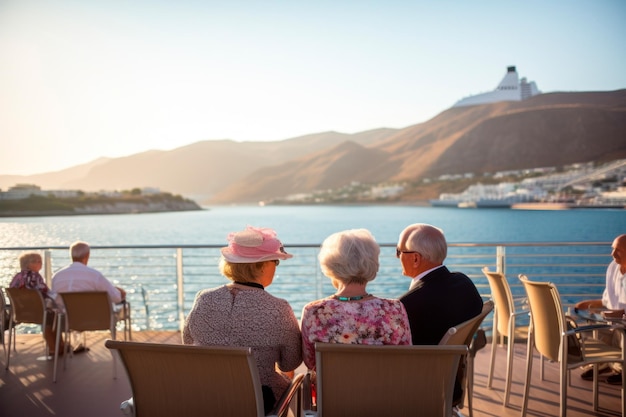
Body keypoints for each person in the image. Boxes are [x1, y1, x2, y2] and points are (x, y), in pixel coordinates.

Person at [182, 226, 302, 414]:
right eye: (275, 262)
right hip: (258, 401)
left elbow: (188, 340)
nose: (276, 267)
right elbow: (290, 363)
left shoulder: (204, 299)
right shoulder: (278, 308)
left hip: (206, 397)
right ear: (261, 265)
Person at [300, 228, 412, 372]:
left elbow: (311, 363)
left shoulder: (314, 312)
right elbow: (405, 358)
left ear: (331, 266)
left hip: (333, 393)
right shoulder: (394, 309)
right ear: (373, 264)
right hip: (385, 393)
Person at [396, 223, 483, 407]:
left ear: (416, 259)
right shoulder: (465, 283)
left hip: (418, 390)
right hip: (451, 383)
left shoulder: (408, 305)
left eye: (399, 252)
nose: (397, 257)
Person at [51, 241, 126, 352]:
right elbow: (116, 298)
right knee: (123, 301)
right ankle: (122, 351)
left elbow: (56, 301)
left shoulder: (57, 276)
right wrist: (120, 291)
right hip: (98, 320)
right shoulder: (94, 275)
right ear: (87, 256)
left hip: (68, 321)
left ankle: (74, 345)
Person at [575, 234, 626, 385]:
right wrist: (590, 304)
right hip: (614, 324)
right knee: (583, 333)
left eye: (618, 251)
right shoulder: (613, 268)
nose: (612, 254)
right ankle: (603, 364)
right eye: (612, 249)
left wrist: (622, 313)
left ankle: (622, 370)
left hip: (623, 326)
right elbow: (608, 299)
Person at [10, 252, 65, 355]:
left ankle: (59, 346)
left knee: (52, 315)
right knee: (55, 316)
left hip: (20, 312)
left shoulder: (17, 277)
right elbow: (43, 292)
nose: (39, 263)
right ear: (26, 264)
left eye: (40, 261)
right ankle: (55, 347)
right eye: (35, 261)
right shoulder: (35, 276)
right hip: (37, 311)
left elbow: (13, 291)